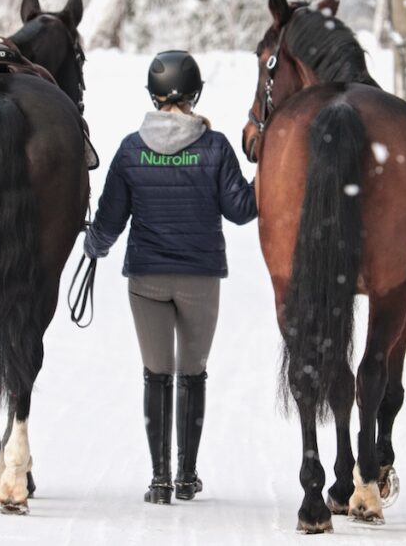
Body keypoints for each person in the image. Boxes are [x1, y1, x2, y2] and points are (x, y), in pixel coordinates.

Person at [84, 50, 257, 504]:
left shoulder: (129, 148)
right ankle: (186, 475)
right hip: (200, 279)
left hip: (147, 281)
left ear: (153, 95)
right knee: (192, 373)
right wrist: (271, 169)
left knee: (156, 374)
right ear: (196, 92)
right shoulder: (215, 147)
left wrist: (93, 248)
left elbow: (110, 220)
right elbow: (241, 211)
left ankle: (159, 479)